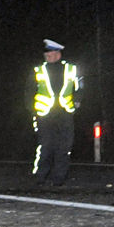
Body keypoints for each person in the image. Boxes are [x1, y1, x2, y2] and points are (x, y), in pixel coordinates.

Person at [30, 39, 80, 186]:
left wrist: (78, 101)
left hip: (65, 113)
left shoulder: (72, 69)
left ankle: (59, 178)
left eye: (49, 53)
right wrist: (32, 109)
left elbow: (80, 87)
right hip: (44, 114)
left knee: (63, 147)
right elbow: (29, 91)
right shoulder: (38, 70)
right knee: (45, 146)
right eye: (46, 53)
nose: (47, 55)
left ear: (58, 53)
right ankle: (40, 177)